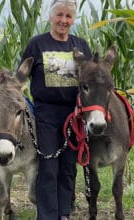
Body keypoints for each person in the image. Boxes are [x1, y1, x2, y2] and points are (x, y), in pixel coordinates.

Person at [19, 0, 91, 219]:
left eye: (68, 17)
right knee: (49, 167)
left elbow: (89, 81)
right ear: (50, 17)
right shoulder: (37, 44)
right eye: (59, 15)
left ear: (73, 20)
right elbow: (21, 77)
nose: (63, 21)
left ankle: (64, 214)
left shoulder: (80, 45)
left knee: (68, 168)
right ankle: (47, 215)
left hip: (73, 115)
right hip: (46, 114)